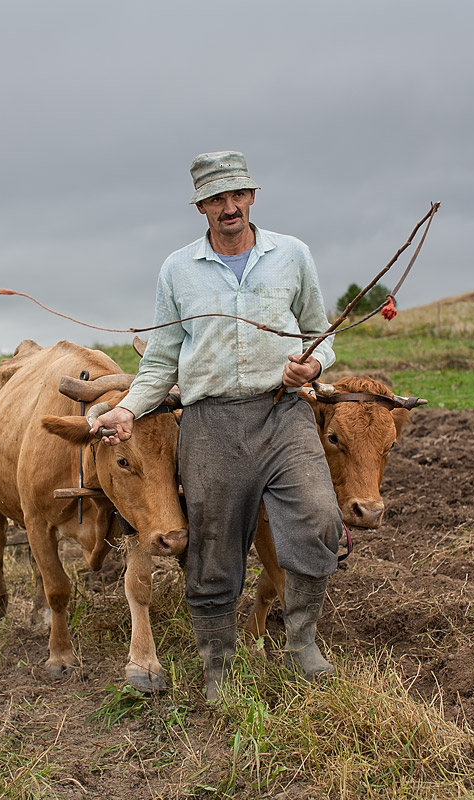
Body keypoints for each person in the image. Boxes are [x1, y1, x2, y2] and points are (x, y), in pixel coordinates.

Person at [91, 151, 343, 700]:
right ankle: (218, 666)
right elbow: (160, 360)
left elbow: (321, 332)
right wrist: (128, 411)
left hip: (282, 414)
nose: (228, 207)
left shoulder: (293, 255)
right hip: (209, 423)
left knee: (321, 520)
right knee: (209, 547)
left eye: (236, 195)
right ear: (201, 206)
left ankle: (302, 641)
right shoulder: (177, 270)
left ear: (251, 197)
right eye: (215, 199)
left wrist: (314, 364)